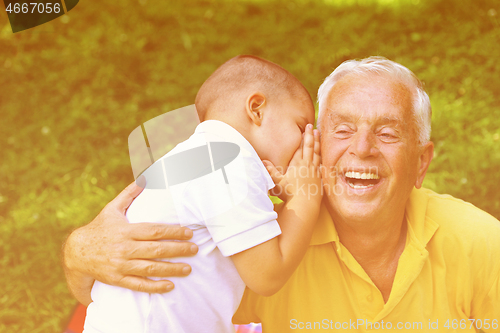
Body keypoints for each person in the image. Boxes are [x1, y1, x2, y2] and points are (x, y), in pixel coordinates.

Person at [63, 57, 500, 332]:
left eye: (387, 133)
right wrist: (79, 252)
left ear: (421, 163)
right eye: (342, 131)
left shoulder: (479, 244)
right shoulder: (255, 232)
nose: (362, 148)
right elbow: (113, 298)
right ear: (320, 146)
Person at [81, 55, 322, 333]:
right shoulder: (229, 162)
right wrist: (306, 197)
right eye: (300, 126)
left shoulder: (202, 157)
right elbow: (268, 275)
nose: (306, 143)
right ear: (257, 109)